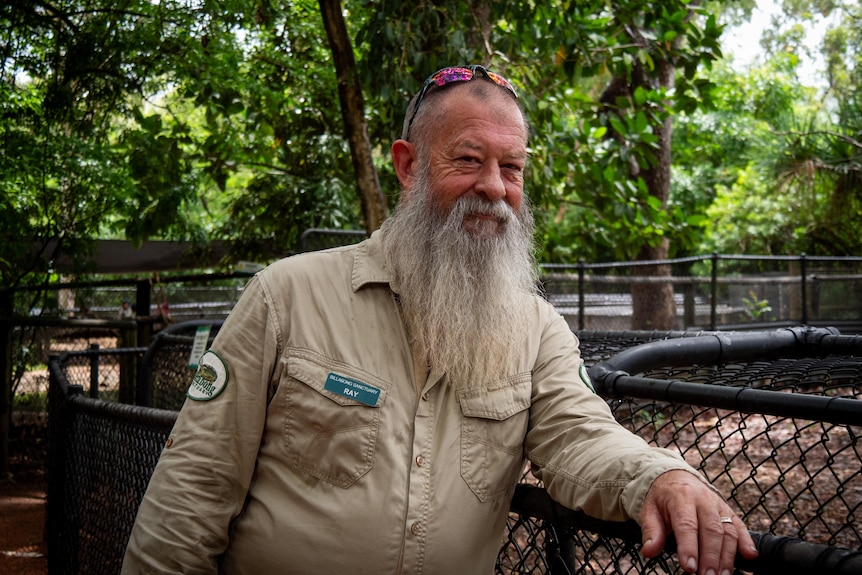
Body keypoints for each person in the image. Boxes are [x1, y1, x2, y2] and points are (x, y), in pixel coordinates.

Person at [122, 64, 757, 574]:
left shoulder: (535, 329)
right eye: (467, 160)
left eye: (512, 168)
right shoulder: (285, 295)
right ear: (407, 166)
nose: (493, 186)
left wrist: (663, 476)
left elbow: (581, 437)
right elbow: (192, 496)